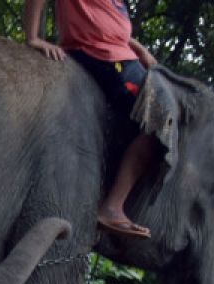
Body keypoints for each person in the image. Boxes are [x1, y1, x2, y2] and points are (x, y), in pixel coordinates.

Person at [24, 0, 158, 239]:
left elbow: (110, 25)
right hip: (99, 53)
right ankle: (112, 207)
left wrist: (140, 49)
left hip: (119, 54)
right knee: (158, 120)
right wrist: (33, 37)